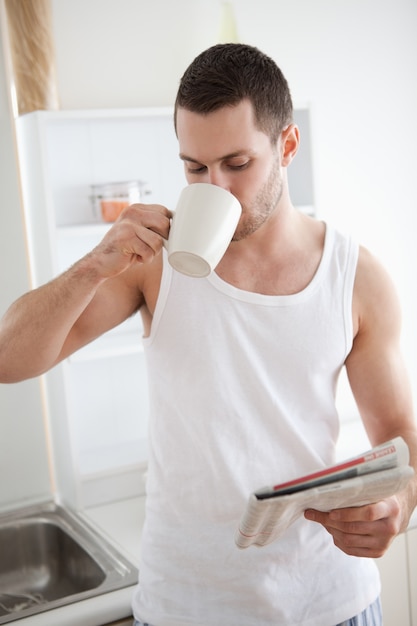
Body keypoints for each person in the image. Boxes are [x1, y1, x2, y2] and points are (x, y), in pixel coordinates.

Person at [0, 43, 416, 626]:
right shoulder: (151, 263)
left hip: (332, 603)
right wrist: (94, 263)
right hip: (188, 608)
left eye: (236, 164)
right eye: (194, 168)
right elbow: (9, 359)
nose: (213, 187)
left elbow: (399, 435)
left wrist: (395, 503)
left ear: (287, 146)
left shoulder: (356, 278)